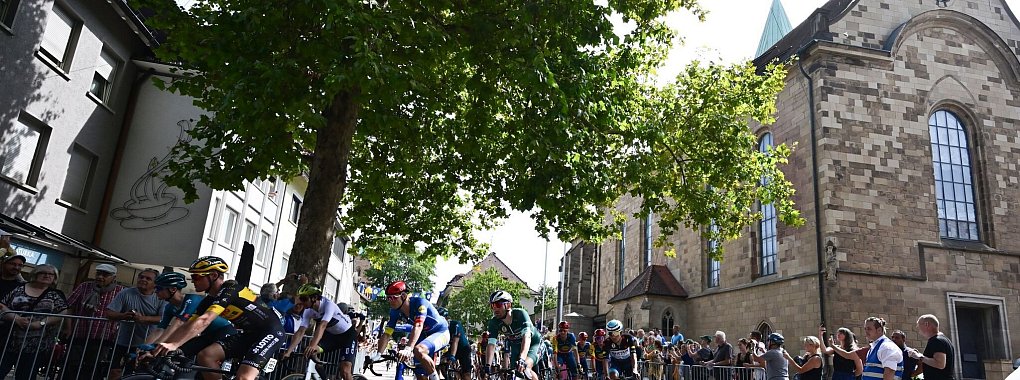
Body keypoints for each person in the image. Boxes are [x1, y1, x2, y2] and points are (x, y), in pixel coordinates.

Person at [153, 256, 286, 380]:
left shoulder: (230, 290)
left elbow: (205, 320)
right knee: (206, 356)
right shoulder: (208, 301)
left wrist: (175, 344)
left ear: (214, 275)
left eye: (197, 276)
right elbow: (188, 325)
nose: (193, 280)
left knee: (243, 377)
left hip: (271, 332)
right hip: (249, 334)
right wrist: (162, 348)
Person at [0, 264, 68, 380]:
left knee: (26, 375)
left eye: (51, 274)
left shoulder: (56, 295)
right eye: (43, 273)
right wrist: (17, 319)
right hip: (10, 340)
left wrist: (41, 323)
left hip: (37, 345)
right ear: (35, 274)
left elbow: (62, 313)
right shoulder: (18, 288)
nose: (47, 276)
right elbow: (2, 306)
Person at [144, 272, 236, 357]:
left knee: (202, 357)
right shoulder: (169, 307)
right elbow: (160, 330)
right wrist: (145, 346)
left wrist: (156, 346)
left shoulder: (192, 299)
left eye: (159, 288)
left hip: (222, 331)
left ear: (173, 289)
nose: (155, 291)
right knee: (177, 354)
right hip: (205, 334)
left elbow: (178, 324)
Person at [372, 281, 450, 380]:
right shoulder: (395, 311)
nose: (390, 301)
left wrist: (408, 348)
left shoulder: (420, 304)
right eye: (388, 298)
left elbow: (418, 325)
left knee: (418, 350)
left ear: (403, 296)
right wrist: (378, 354)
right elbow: (387, 333)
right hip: (423, 335)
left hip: (440, 332)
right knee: (420, 375)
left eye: (393, 297)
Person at [283, 284, 360, 380]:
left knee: (345, 370)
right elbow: (301, 331)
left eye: (304, 298)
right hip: (332, 338)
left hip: (347, 336)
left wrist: (312, 345)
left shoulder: (328, 305)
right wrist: (288, 352)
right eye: (300, 299)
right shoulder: (308, 311)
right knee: (313, 355)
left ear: (314, 298)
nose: (301, 302)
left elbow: (322, 325)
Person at [61, 263, 124, 380]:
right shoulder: (84, 286)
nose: (100, 277)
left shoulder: (120, 291)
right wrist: (68, 327)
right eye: (98, 274)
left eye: (105, 275)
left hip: (104, 336)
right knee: (72, 365)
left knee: (94, 367)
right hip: (79, 333)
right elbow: (69, 306)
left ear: (114, 278)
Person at [106, 267, 166, 380]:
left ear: (155, 283)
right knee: (115, 371)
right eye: (141, 277)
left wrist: (143, 318)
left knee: (141, 374)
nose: (143, 279)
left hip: (148, 344)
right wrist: (123, 316)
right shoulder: (125, 293)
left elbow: (163, 318)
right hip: (123, 342)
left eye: (148, 278)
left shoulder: (160, 296)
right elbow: (109, 313)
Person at [483, 290, 542, 380]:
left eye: (498, 305)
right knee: (513, 373)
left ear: (508, 305)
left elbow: (527, 337)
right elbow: (491, 344)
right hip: (516, 346)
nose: (495, 308)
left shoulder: (520, 314)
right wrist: (487, 366)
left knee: (525, 367)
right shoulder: (494, 322)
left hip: (533, 343)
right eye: (492, 305)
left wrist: (522, 359)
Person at [908, 314, 954, 380]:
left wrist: (919, 356)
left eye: (919, 325)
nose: (918, 330)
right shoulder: (944, 339)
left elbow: (940, 364)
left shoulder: (937, 340)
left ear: (926, 324)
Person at [438, 307, 472, 380]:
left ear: (447, 318)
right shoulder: (439, 327)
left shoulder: (455, 324)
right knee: (443, 363)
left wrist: (452, 356)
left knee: (466, 374)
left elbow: (455, 342)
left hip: (464, 348)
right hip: (452, 348)